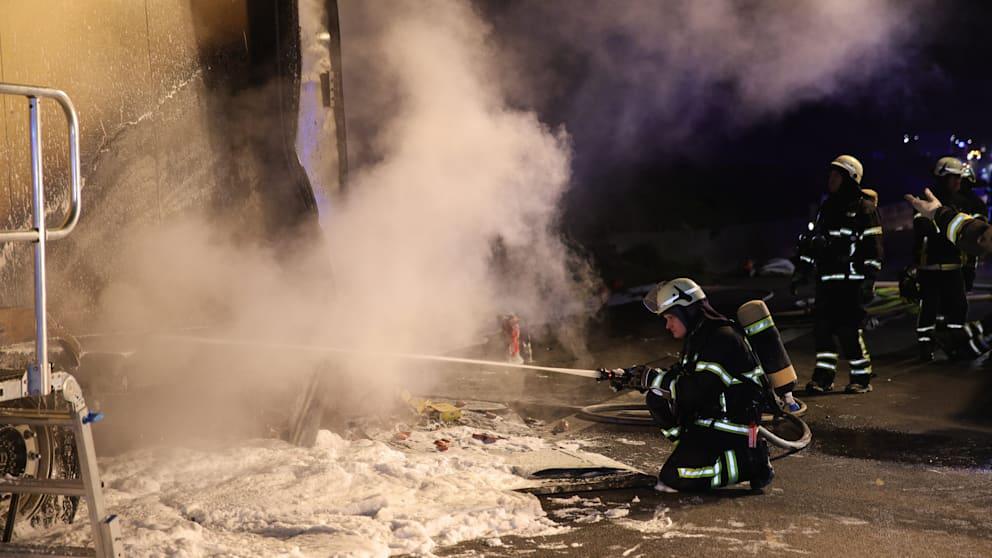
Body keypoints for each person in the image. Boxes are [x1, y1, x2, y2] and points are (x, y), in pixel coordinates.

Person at [600, 278, 774, 493]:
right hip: (712, 421)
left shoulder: (721, 338)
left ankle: (749, 463)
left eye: (671, 317)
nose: (667, 325)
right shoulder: (701, 337)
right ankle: (693, 450)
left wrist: (651, 378)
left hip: (733, 428)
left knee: (674, 477)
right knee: (656, 397)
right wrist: (631, 377)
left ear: (687, 311)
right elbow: (681, 375)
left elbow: (697, 391)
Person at [793, 155, 883, 394]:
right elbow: (814, 244)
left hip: (852, 283)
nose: (830, 179)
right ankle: (823, 378)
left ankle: (861, 378)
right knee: (822, 331)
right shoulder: (827, 208)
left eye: (836, 175)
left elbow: (874, 247)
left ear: (850, 179)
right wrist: (801, 271)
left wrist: (869, 280)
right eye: (830, 174)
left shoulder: (865, 208)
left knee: (849, 331)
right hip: (826, 281)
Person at [910, 157, 984, 361]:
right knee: (929, 307)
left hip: (954, 265)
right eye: (954, 178)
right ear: (942, 177)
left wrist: (969, 265)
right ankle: (925, 346)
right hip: (930, 265)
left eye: (959, 178)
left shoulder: (963, 202)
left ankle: (956, 343)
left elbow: (970, 235)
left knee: (958, 306)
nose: (958, 182)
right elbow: (921, 228)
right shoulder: (925, 200)